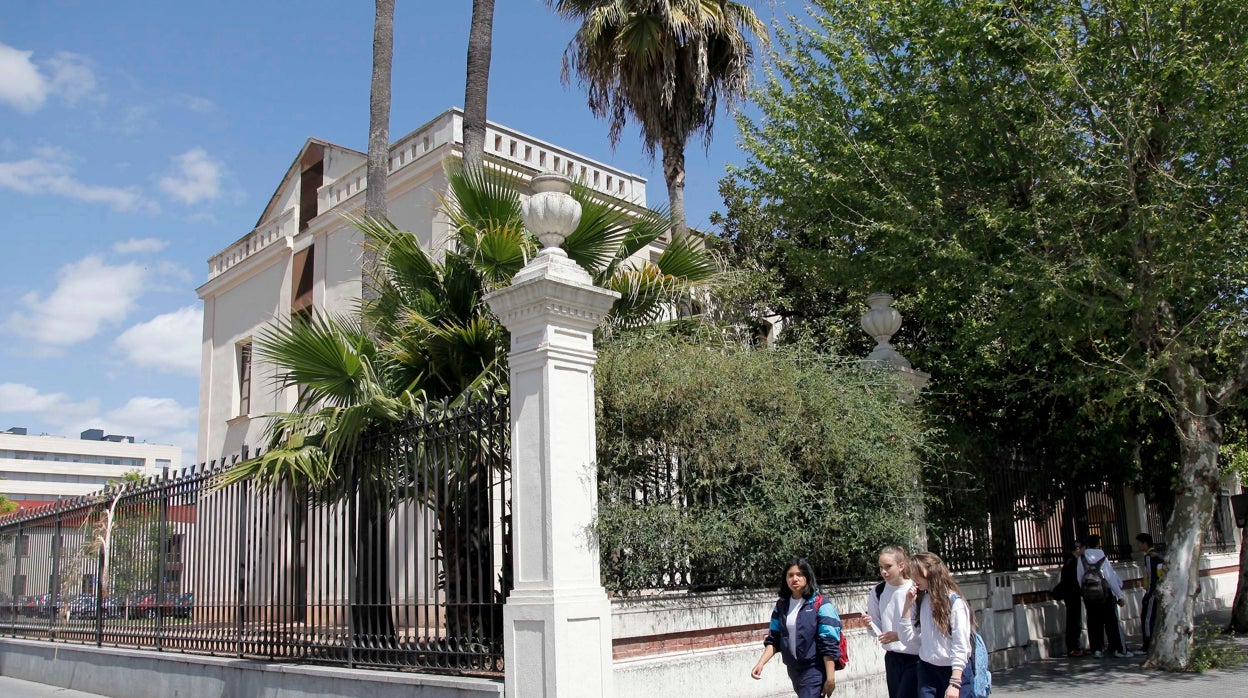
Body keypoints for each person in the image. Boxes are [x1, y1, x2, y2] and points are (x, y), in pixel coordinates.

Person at [752, 558, 843, 698]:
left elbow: (829, 642)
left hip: (814, 669)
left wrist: (830, 678)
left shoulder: (821, 605)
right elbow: (774, 639)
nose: (795, 578)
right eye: (790, 575)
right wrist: (760, 664)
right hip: (794, 669)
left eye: (799, 574)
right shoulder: (782, 605)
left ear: (807, 577)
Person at [897, 552, 975, 698]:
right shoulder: (921, 599)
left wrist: (955, 683)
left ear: (931, 572)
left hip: (954, 672)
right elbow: (906, 638)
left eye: (916, 573)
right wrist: (907, 605)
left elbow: (961, 645)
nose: (913, 579)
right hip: (927, 671)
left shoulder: (955, 602)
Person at [867, 546, 920, 698]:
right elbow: (875, 630)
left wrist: (899, 635)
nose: (884, 572)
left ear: (901, 566)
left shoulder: (915, 589)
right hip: (892, 657)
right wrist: (869, 625)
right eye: (881, 568)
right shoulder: (877, 591)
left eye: (888, 567)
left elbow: (924, 626)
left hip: (915, 657)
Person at [1078, 534, 1132, 658]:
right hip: (1105, 594)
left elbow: (1079, 578)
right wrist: (1119, 595)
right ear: (1098, 544)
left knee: (1093, 622)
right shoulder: (1102, 557)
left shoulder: (1081, 559)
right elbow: (1110, 578)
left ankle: (1097, 649)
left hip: (1089, 596)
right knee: (1111, 621)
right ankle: (1117, 649)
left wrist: (1085, 592)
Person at [1052, 541, 1086, 657]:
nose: (1084, 550)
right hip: (1072, 595)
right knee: (1074, 621)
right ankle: (1073, 647)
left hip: (1072, 595)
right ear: (1077, 549)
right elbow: (1072, 580)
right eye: (1082, 548)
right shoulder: (1072, 562)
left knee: (1075, 621)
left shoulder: (1071, 561)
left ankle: (1075, 646)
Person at [1135, 533, 1164, 653]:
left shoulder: (1150, 556)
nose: (1138, 546)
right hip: (1157, 590)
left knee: (1147, 619)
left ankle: (1147, 645)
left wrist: (1149, 592)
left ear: (1145, 543)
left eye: (1139, 543)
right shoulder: (1158, 555)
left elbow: (1151, 576)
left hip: (1152, 591)